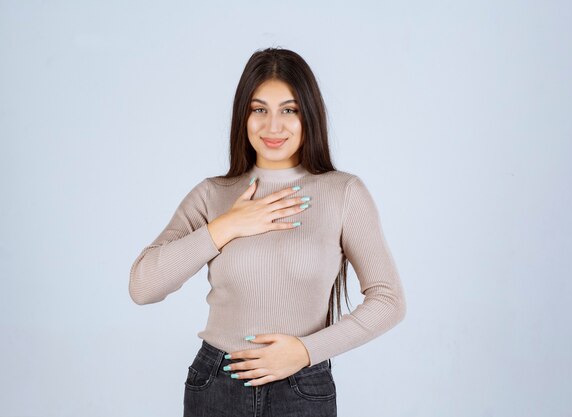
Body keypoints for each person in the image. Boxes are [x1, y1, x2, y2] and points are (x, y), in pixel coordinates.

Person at [128, 47, 407, 417]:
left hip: (303, 386)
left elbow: (389, 300)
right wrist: (226, 226)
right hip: (216, 384)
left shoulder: (344, 193)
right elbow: (143, 287)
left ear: (309, 115)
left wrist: (306, 351)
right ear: (243, 116)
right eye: (259, 110)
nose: (273, 126)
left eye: (288, 110)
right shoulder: (214, 194)